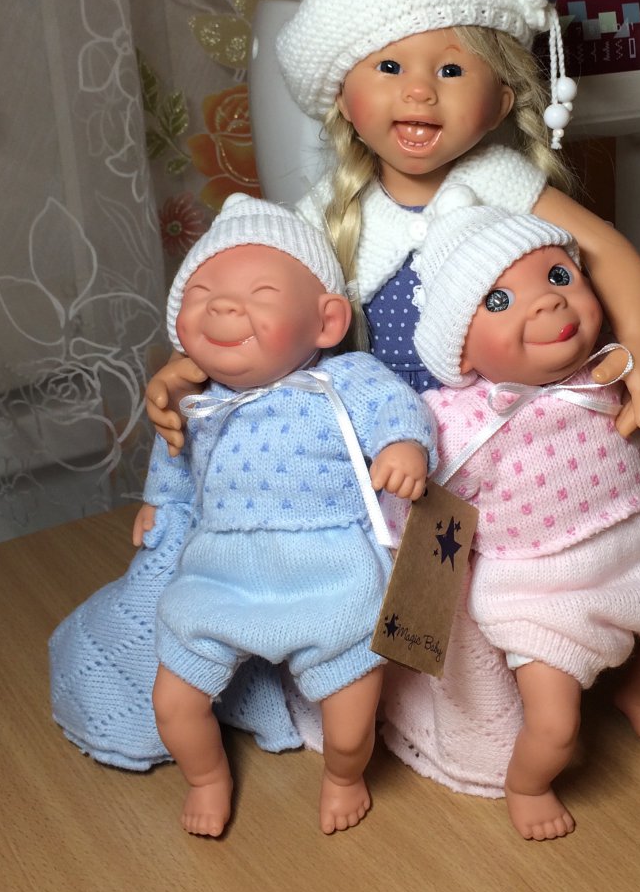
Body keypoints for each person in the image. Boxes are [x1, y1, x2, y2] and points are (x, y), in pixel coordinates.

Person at [142, 0, 640, 796]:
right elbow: (246, 301)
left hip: (502, 432)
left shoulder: (505, 185)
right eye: (389, 66)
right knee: (408, 587)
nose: (419, 89)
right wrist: (184, 364)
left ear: (501, 98)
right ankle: (382, 705)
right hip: (390, 448)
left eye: (452, 68)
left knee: (508, 581)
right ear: (342, 98)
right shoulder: (330, 210)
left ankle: (528, 701)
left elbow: (608, 255)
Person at [409, 196, 640, 840]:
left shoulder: (611, 367)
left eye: (559, 276)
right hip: (537, 586)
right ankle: (527, 785)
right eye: (500, 301)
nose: (548, 303)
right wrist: (400, 472)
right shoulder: (457, 417)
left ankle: (639, 693)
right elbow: (417, 480)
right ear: (463, 355)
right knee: (555, 726)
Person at [132, 194, 435, 837]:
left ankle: (344, 776)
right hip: (218, 571)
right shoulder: (198, 400)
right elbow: (174, 457)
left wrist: (405, 446)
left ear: (326, 321)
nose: (221, 306)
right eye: (202, 293)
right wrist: (161, 503)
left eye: (260, 293)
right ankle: (207, 777)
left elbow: (397, 407)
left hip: (330, 569)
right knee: (173, 702)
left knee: (350, 721)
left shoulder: (344, 377)